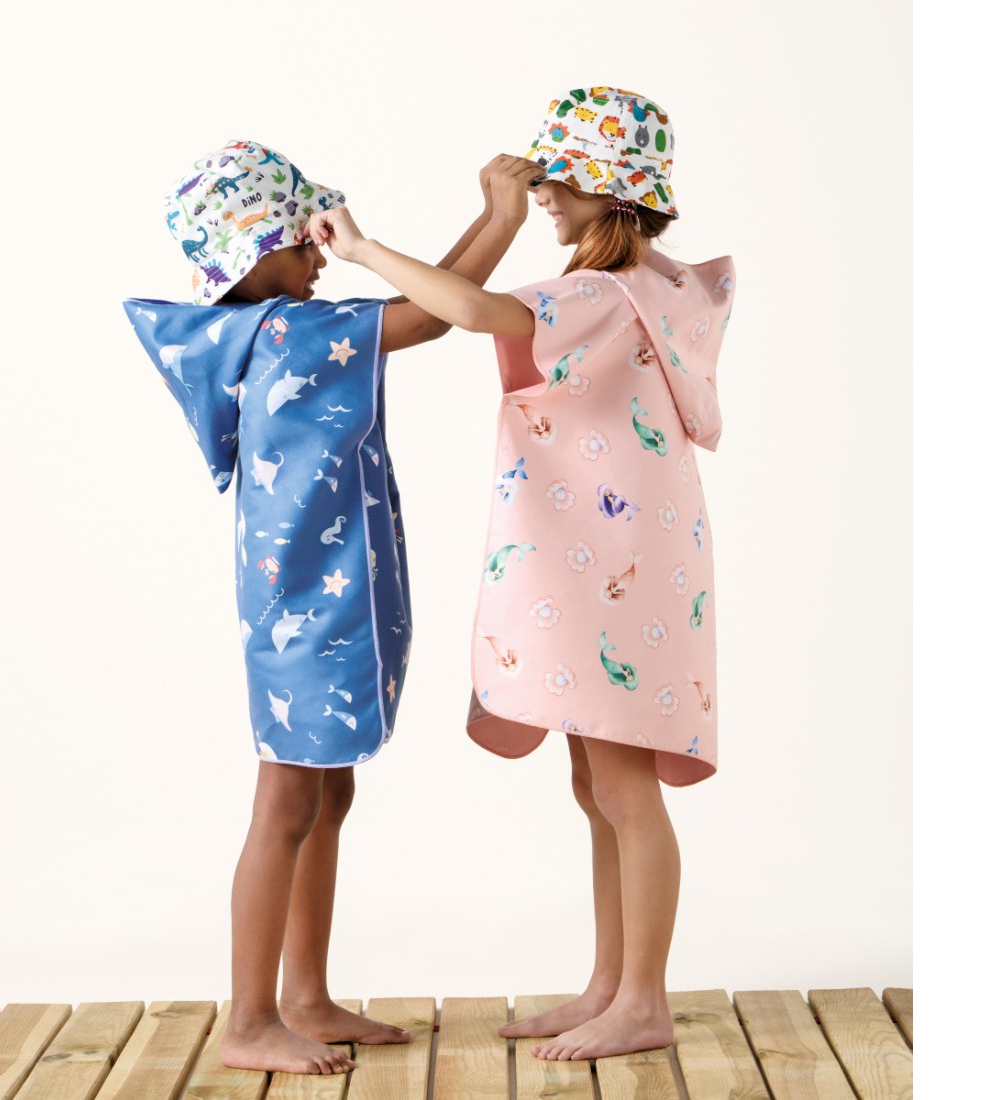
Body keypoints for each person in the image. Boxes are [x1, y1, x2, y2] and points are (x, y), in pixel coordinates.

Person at [310, 89, 736, 1061]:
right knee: (599, 782)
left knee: (623, 786)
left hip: (608, 566)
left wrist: (364, 248)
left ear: (609, 191)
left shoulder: (600, 295)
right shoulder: (657, 288)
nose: (544, 194)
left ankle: (642, 998)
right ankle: (610, 985)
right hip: (629, 560)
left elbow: (467, 310)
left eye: (558, 180)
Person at [123, 140, 542, 1075]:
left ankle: (304, 997)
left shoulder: (257, 334)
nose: (319, 253)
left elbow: (427, 309)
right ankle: (249, 1021)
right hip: (309, 610)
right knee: (285, 801)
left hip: (312, 597)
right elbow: (432, 318)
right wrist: (500, 219)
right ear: (255, 253)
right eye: (301, 238)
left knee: (325, 791)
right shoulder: (288, 332)